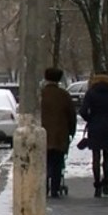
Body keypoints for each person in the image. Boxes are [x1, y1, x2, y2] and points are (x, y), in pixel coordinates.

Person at [79, 72, 108, 197]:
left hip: (94, 127)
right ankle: (106, 183)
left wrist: (91, 119)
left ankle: (97, 185)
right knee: (106, 155)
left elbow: (83, 111)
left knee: (95, 156)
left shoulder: (91, 93)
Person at [40, 68, 77, 198]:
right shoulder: (64, 95)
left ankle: (43, 188)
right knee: (57, 162)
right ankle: (55, 189)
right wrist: (71, 131)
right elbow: (72, 115)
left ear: (45, 78)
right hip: (60, 136)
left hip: (42, 136)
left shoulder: (40, 94)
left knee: (43, 163)